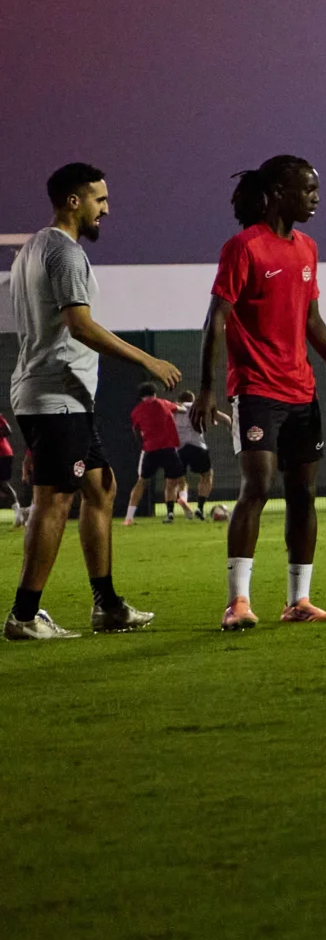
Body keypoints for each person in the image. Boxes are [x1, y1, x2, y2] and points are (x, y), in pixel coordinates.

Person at [195, 155, 326, 631]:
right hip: (255, 390)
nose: (315, 197)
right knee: (257, 487)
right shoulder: (243, 247)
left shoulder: (307, 248)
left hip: (301, 391)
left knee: (304, 494)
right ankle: (238, 603)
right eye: (307, 189)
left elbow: (311, 318)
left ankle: (299, 600)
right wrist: (208, 388)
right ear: (277, 193)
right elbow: (216, 318)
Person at [8, 162, 180, 640]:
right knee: (55, 498)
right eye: (99, 199)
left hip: (53, 396)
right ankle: (24, 614)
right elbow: (78, 325)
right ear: (73, 201)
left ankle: (106, 605)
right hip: (56, 396)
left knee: (101, 486)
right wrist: (147, 360)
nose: (106, 208)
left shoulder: (31, 250)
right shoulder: (65, 254)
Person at [123, 386, 184, 525]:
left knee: (141, 482)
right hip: (168, 447)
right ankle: (169, 513)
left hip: (150, 449)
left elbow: (136, 431)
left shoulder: (136, 411)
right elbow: (183, 410)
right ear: (155, 393)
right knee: (171, 481)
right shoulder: (164, 403)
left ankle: (129, 517)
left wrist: (142, 442)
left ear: (141, 397)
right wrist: (178, 406)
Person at [173, 391, 224, 519]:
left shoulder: (173, 408)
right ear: (193, 399)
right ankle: (200, 508)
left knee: (180, 480)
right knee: (207, 476)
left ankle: (183, 499)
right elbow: (215, 414)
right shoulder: (198, 406)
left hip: (178, 448)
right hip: (197, 446)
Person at [0, 414, 26, 530]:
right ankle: (19, 513)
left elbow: (8, 431)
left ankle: (19, 513)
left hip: (2, 454)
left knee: (2, 483)